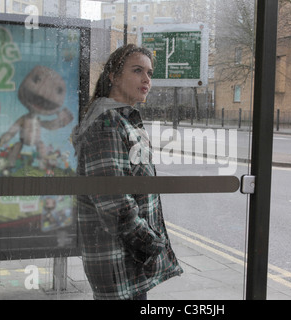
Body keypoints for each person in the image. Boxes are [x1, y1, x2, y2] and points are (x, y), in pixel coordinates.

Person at [72, 44, 183, 300]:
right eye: (137, 70)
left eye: (150, 73)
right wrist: (149, 242)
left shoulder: (119, 119)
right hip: (119, 259)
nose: (146, 79)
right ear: (113, 76)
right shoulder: (107, 123)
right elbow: (113, 198)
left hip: (125, 258)